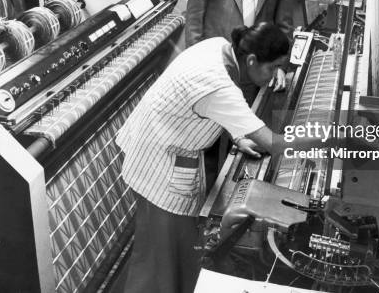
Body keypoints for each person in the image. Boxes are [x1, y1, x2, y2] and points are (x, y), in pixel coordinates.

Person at [116, 22, 291, 293]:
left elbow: (200, 105)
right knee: (157, 262)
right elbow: (273, 142)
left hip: (153, 148)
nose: (273, 75)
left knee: (168, 252)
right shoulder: (219, 85)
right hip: (159, 169)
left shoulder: (215, 46)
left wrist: (239, 135)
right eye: (272, 68)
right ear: (252, 60)